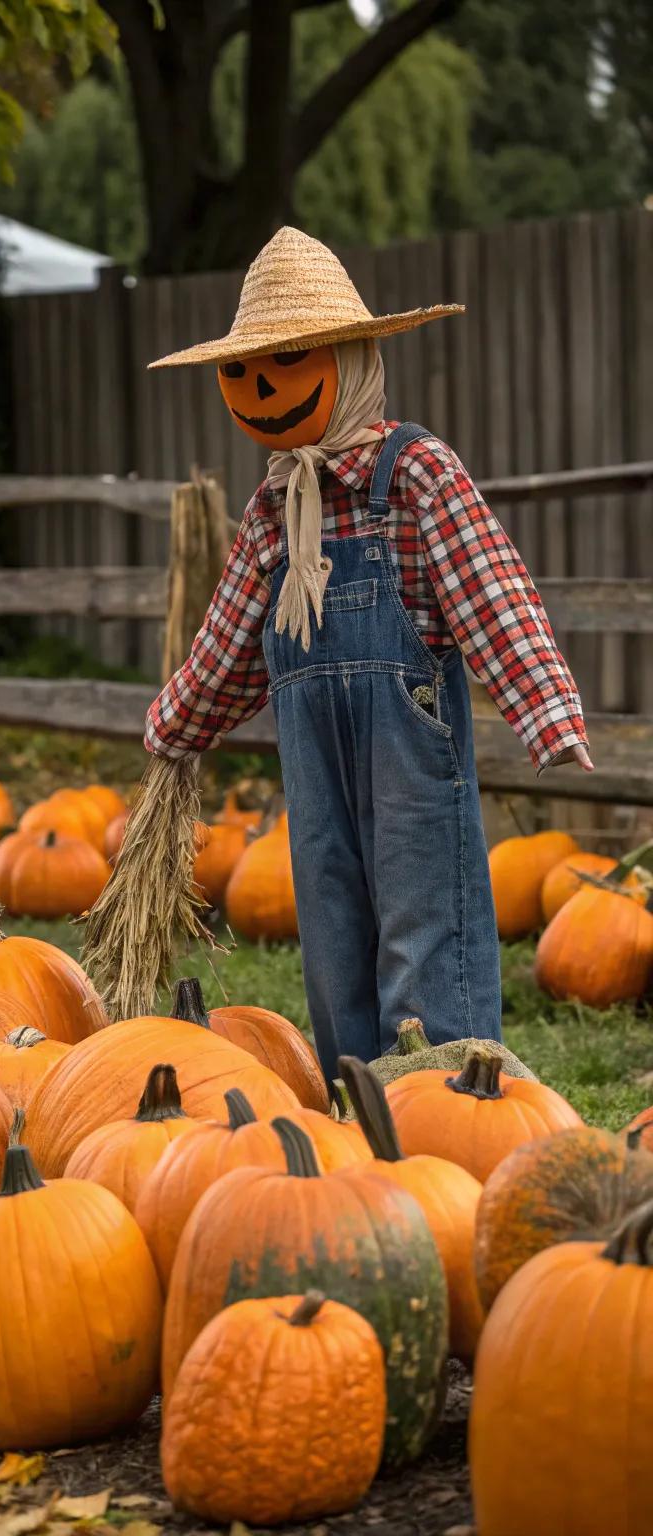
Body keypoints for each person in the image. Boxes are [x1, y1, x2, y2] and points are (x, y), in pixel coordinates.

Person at [123, 226, 590, 1091]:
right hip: (314, 753)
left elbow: (492, 592)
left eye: (290, 359)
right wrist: (174, 727)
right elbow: (229, 646)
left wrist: (548, 715)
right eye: (241, 370)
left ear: (350, 358)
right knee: (331, 916)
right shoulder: (272, 511)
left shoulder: (413, 474)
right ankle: (354, 1102)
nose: (261, 387)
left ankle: (443, 1097)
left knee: (423, 916)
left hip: (406, 746)